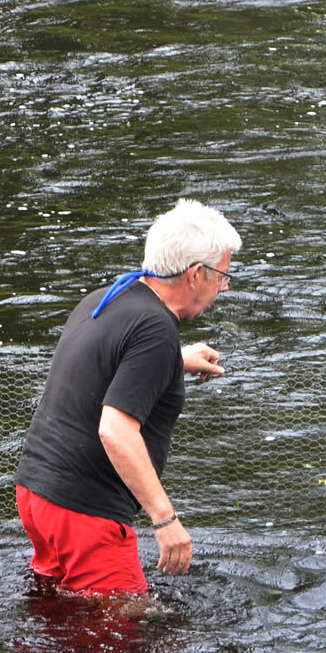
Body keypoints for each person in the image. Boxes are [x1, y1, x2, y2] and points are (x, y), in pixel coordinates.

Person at [15, 198, 241, 597]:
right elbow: (115, 430)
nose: (223, 288)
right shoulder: (156, 330)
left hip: (36, 492)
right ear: (194, 275)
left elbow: (96, 362)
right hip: (84, 512)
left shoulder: (111, 296)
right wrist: (165, 520)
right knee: (124, 636)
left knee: (58, 612)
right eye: (221, 276)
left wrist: (175, 360)